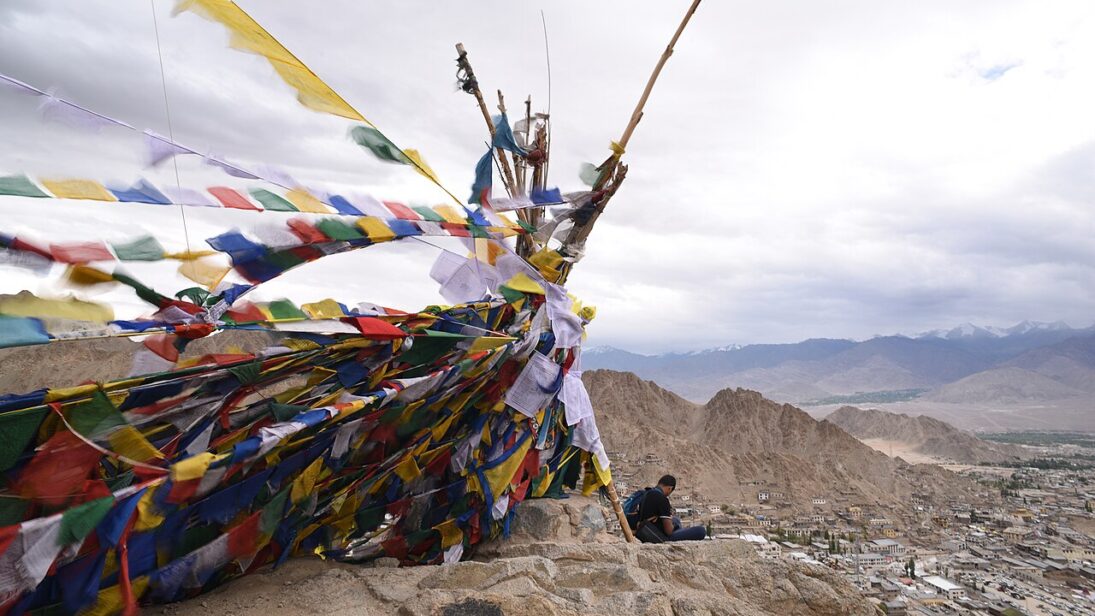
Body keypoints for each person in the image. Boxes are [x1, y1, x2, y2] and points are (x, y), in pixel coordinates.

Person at [633, 474, 707, 543]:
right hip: (659, 537)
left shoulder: (647, 493)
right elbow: (669, 531)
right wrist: (672, 525)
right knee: (701, 531)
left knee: (676, 520)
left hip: (644, 531)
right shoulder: (662, 499)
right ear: (669, 488)